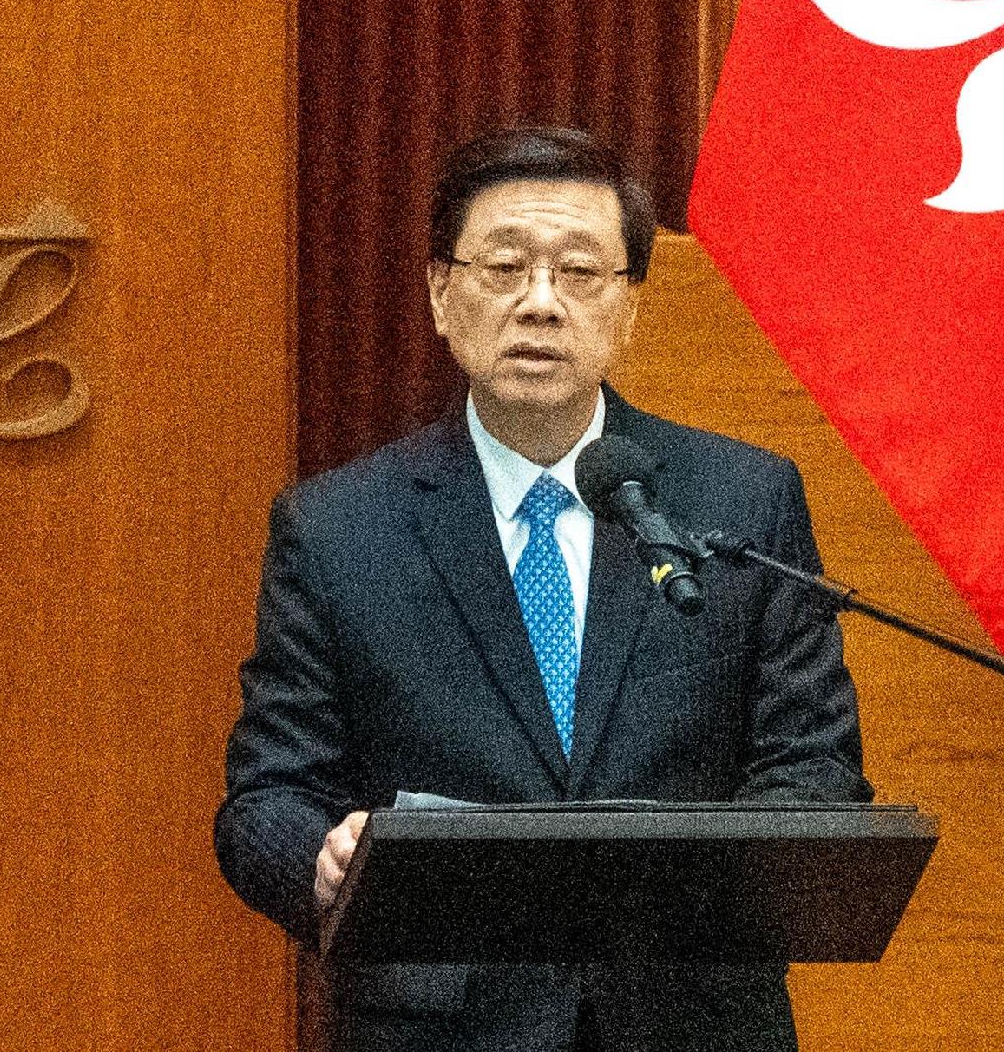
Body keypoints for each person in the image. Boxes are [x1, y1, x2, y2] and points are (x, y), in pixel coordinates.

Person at [217, 123, 867, 1052]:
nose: (540, 303)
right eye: (504, 266)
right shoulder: (337, 529)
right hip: (442, 1029)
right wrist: (317, 859)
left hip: (689, 1017)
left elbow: (814, 765)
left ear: (630, 306)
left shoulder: (741, 500)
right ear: (440, 293)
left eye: (580, 272)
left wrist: (707, 885)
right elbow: (268, 795)